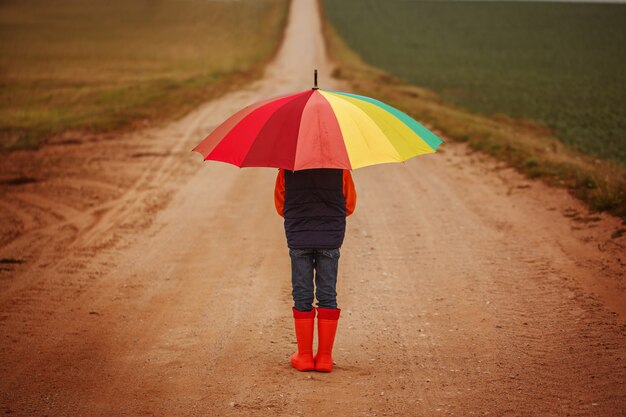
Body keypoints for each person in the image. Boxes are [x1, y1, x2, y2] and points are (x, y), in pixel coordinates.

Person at [274, 167, 356, 373]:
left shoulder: (286, 169)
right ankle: (325, 358)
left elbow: (281, 206)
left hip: (299, 237)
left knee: (302, 293)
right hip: (330, 239)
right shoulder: (341, 170)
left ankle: (304, 356)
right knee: (328, 293)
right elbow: (349, 205)